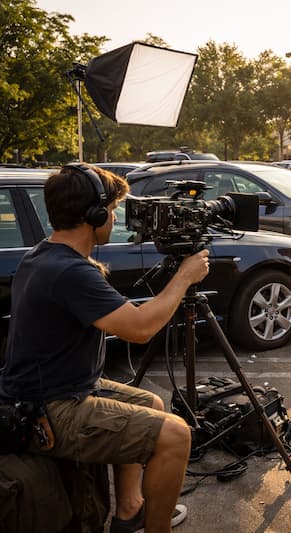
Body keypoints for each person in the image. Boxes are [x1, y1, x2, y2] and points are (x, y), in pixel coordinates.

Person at [0, 164, 211, 533]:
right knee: (176, 435)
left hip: (49, 392)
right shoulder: (69, 272)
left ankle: (130, 512)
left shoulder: (44, 255)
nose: (114, 218)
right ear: (93, 216)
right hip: (49, 410)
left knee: (152, 404)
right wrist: (184, 277)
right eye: (111, 210)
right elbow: (140, 329)